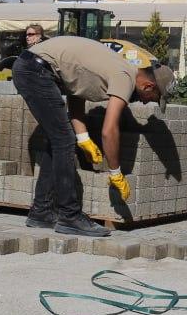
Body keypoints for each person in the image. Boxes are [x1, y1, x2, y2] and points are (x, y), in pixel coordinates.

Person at [12, 35, 166, 238]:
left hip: (32, 66)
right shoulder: (126, 77)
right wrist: (115, 172)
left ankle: (42, 212)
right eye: (153, 99)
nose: (147, 103)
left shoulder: (114, 67)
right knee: (64, 141)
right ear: (148, 86)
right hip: (35, 70)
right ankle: (69, 216)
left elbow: (76, 93)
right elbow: (109, 130)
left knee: (58, 139)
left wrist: (83, 138)